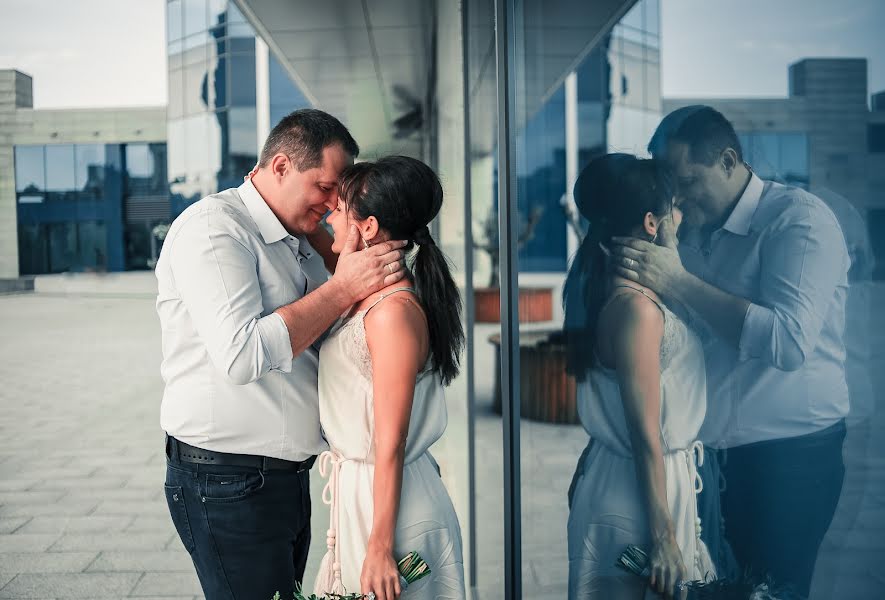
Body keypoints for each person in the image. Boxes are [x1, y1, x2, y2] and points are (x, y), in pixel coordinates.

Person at [156, 109, 409, 600]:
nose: (334, 201)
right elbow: (243, 353)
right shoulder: (214, 229)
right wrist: (341, 288)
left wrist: (342, 244)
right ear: (279, 166)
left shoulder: (299, 234)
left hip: (283, 481)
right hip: (226, 482)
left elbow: (339, 318)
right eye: (325, 186)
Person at [611, 106, 850, 597]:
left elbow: (786, 341)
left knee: (773, 592)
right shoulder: (691, 231)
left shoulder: (799, 222)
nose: (678, 197)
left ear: (727, 161)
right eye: (669, 185)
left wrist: (678, 280)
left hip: (788, 460)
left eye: (688, 181)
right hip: (713, 463)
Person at [312, 156, 466, 600]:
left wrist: (380, 546)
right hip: (365, 494)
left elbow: (391, 442)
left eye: (340, 208)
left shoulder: (393, 313)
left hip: (394, 512)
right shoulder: (370, 297)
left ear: (370, 226)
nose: (330, 215)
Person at [565, 153, 716, 599]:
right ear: (652, 222)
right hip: (640, 501)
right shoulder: (636, 310)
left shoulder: (610, 290)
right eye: (674, 207)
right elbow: (644, 435)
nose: (681, 215)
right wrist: (664, 536)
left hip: (624, 483)